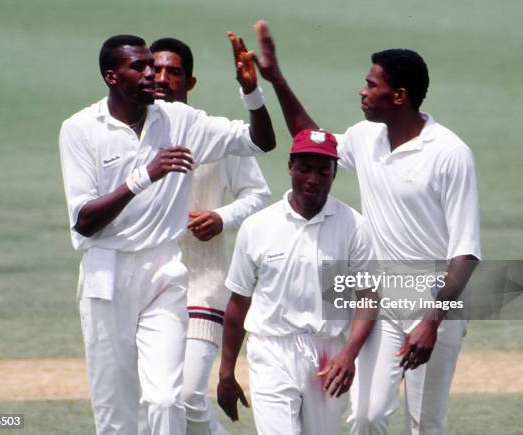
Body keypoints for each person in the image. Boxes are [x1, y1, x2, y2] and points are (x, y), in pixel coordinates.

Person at [250, 20, 480, 435]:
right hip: (383, 299)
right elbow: (311, 140)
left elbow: (465, 254)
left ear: (399, 96)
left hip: (434, 304)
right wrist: (277, 80)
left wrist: (431, 321)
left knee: (425, 424)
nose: (362, 90)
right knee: (366, 416)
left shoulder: (450, 153)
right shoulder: (365, 137)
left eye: (371, 84)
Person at [58, 33, 275, 435]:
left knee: (166, 398)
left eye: (154, 66)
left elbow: (261, 143)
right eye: (139, 67)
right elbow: (84, 220)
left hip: (165, 270)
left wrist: (251, 92)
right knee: (117, 412)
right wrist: (145, 176)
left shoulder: (181, 120)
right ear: (111, 76)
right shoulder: (80, 128)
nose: (151, 74)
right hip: (107, 272)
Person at [217, 129, 378, 435]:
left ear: (334, 174)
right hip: (271, 350)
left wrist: (349, 354)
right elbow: (238, 303)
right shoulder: (257, 227)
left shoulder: (354, 227)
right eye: (305, 169)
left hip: (328, 353)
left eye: (323, 171)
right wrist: (226, 372)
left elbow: (368, 297)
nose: (313, 180)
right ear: (290, 167)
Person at [149, 37, 271, 435]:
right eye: (157, 70)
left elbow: (258, 194)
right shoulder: (131, 132)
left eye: (175, 72)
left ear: (191, 81)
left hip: (202, 285)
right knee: (156, 401)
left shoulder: (211, 134)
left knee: (187, 397)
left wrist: (221, 216)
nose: (164, 78)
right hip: (148, 286)